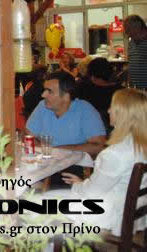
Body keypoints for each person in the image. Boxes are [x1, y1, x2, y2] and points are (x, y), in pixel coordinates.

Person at [42, 88, 147, 237]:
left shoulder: (114, 154)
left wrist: (78, 185)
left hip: (110, 214)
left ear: (123, 114)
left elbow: (93, 193)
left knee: (43, 200)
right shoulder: (140, 146)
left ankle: (53, 244)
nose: (109, 111)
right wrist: (84, 183)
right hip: (134, 209)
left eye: (112, 107)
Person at [26, 71, 107, 186]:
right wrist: (48, 152)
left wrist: (56, 150)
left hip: (73, 169)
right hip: (42, 165)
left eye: (49, 91)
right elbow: (28, 137)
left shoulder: (85, 110)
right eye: (44, 90)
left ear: (66, 96)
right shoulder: (42, 106)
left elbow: (98, 146)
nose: (43, 95)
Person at [76, 57, 121, 135]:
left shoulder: (82, 88)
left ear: (91, 74)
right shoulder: (120, 91)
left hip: (89, 132)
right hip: (116, 131)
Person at [125, 14, 147, 90]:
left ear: (138, 27)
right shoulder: (131, 42)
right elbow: (131, 64)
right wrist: (129, 83)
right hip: (135, 89)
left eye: (128, 29)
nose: (126, 32)